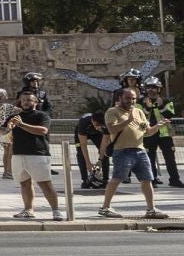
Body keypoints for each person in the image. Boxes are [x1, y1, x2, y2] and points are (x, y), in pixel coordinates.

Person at [98, 85, 168, 219]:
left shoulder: (139, 112)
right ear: (120, 98)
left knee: (147, 179)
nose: (131, 101)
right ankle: (105, 207)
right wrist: (128, 121)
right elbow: (112, 130)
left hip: (140, 150)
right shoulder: (112, 111)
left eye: (134, 98)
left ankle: (151, 209)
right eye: (128, 98)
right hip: (122, 151)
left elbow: (147, 131)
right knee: (117, 179)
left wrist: (158, 126)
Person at [5, 89, 59, 220]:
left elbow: (43, 130)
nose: (25, 102)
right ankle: (28, 209)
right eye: (23, 100)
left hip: (38, 154)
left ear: (35, 102)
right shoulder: (14, 117)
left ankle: (56, 211)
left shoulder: (42, 115)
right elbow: (4, 132)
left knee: (45, 183)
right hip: (18, 154)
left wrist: (22, 124)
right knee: (24, 183)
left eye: (29, 100)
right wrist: (6, 128)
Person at [140, 77, 181, 187]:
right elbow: (139, 116)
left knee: (170, 159)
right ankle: (152, 181)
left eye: (154, 87)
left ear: (159, 89)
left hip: (165, 135)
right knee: (149, 159)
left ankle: (175, 180)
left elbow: (170, 115)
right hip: (148, 134)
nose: (151, 90)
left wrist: (161, 106)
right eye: (148, 87)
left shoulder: (166, 101)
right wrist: (148, 108)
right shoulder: (140, 102)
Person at [74, 110, 107, 189]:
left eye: (100, 125)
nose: (97, 127)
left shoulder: (105, 124)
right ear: (92, 120)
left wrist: (100, 161)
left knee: (106, 153)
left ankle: (105, 179)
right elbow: (83, 145)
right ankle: (85, 179)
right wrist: (88, 163)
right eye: (96, 124)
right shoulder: (84, 122)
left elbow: (104, 145)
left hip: (96, 135)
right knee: (81, 154)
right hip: (82, 133)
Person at [0, 87, 17, 179]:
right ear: (2, 96)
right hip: (8, 130)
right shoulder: (7, 106)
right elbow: (20, 110)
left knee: (6, 152)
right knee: (10, 152)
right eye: (5, 94)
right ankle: (9, 172)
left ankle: (5, 172)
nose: (7, 95)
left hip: (1, 131)